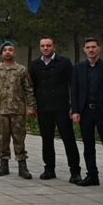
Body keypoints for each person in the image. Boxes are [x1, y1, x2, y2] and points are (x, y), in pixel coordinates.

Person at [28, 37, 81, 183]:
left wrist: (74, 107)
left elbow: (73, 85)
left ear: (54, 47)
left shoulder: (64, 63)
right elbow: (31, 87)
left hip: (62, 107)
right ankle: (49, 169)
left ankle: (75, 171)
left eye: (48, 45)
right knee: (47, 140)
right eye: (43, 46)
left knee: (68, 139)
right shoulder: (35, 65)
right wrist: (32, 106)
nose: (45, 48)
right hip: (43, 108)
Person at [72, 37, 103, 192]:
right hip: (85, 112)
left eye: (93, 47)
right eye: (88, 47)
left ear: (99, 49)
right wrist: (75, 110)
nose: (91, 50)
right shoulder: (78, 68)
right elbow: (75, 91)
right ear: (84, 50)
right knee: (88, 146)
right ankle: (92, 175)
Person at [0, 41, 37, 179]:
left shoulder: (21, 70)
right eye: (5, 50)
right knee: (3, 139)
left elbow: (28, 89)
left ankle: (22, 166)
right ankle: (3, 165)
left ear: (14, 53)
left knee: (19, 138)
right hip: (1, 110)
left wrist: (31, 106)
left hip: (17, 110)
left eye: (10, 49)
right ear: (1, 54)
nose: (8, 52)